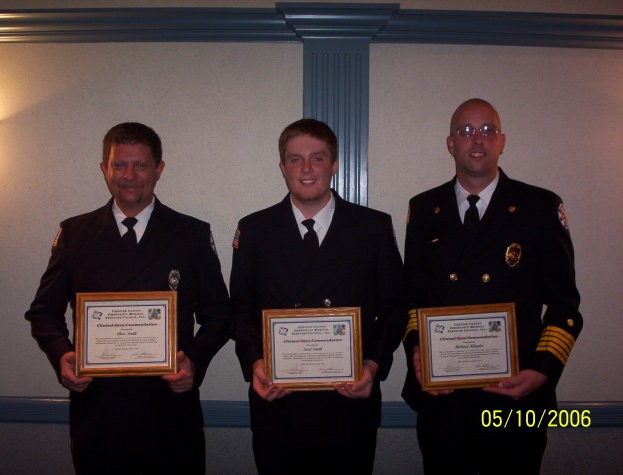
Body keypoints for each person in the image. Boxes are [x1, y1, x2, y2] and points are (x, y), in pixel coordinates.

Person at [25, 122, 231, 474]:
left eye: (141, 165)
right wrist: (62, 356)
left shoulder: (191, 234)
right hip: (99, 416)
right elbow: (43, 312)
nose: (130, 175)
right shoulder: (75, 234)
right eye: (119, 164)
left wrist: (193, 364)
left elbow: (220, 315)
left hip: (170, 415)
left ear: (159, 170)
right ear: (105, 169)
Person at [402, 98, 583, 474]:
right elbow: (412, 299)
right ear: (450, 144)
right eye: (465, 131)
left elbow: (565, 305)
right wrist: (419, 353)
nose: (477, 140)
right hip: (444, 401)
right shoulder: (423, 209)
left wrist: (542, 369)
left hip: (517, 400)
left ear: (502, 141)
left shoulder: (539, 206)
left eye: (487, 130)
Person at [230, 118, 408, 475]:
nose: (306, 169)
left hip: (348, 406)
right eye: (295, 159)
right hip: (279, 408)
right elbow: (240, 311)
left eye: (318, 158)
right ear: (282, 167)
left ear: (335, 164)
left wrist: (372, 366)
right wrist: (255, 364)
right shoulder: (254, 229)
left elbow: (395, 308)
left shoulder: (372, 227)